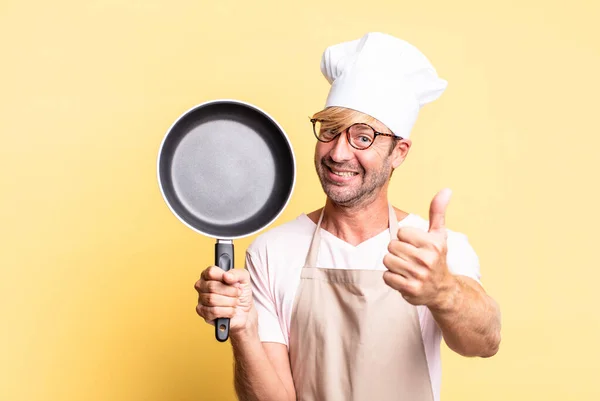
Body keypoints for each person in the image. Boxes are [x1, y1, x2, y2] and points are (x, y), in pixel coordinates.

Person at [194, 32, 501, 401]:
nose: (338, 153)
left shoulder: (431, 250)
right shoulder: (272, 252)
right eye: (330, 131)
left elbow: (485, 342)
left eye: (363, 137)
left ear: (399, 152)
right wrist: (243, 332)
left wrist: (443, 291)